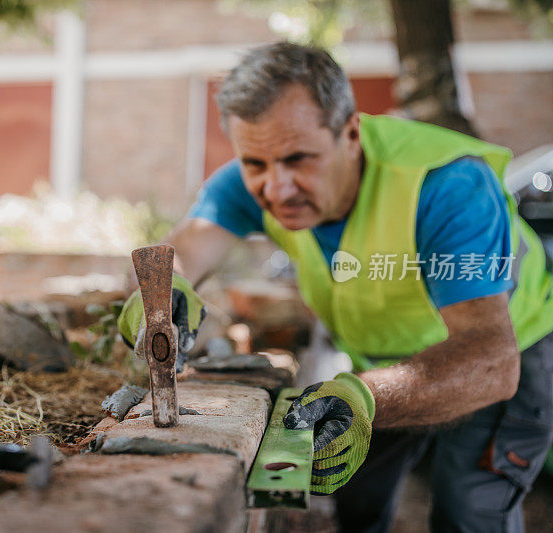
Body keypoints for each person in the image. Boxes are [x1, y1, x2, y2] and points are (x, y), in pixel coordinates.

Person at [117, 41, 553, 532]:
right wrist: (156, 297)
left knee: (469, 512)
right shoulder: (252, 177)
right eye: (255, 163)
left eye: (299, 159)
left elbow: (491, 361)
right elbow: (178, 256)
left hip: (498, 354)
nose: (277, 188)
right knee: (355, 501)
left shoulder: (447, 185)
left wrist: (364, 399)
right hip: (382, 364)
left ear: (351, 132)